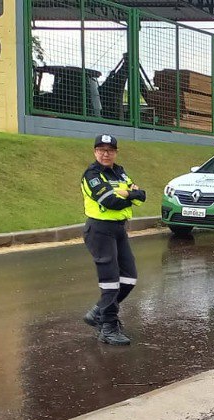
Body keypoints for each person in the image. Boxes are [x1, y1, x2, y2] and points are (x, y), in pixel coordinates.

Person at [81, 134, 146, 345]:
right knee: (110, 282)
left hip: (119, 229)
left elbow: (142, 196)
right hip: (99, 230)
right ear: (95, 152)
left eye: (110, 150)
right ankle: (108, 327)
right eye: (101, 149)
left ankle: (98, 312)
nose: (105, 153)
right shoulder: (91, 175)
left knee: (129, 278)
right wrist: (130, 195)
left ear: (116, 152)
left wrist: (125, 193)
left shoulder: (119, 171)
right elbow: (109, 201)